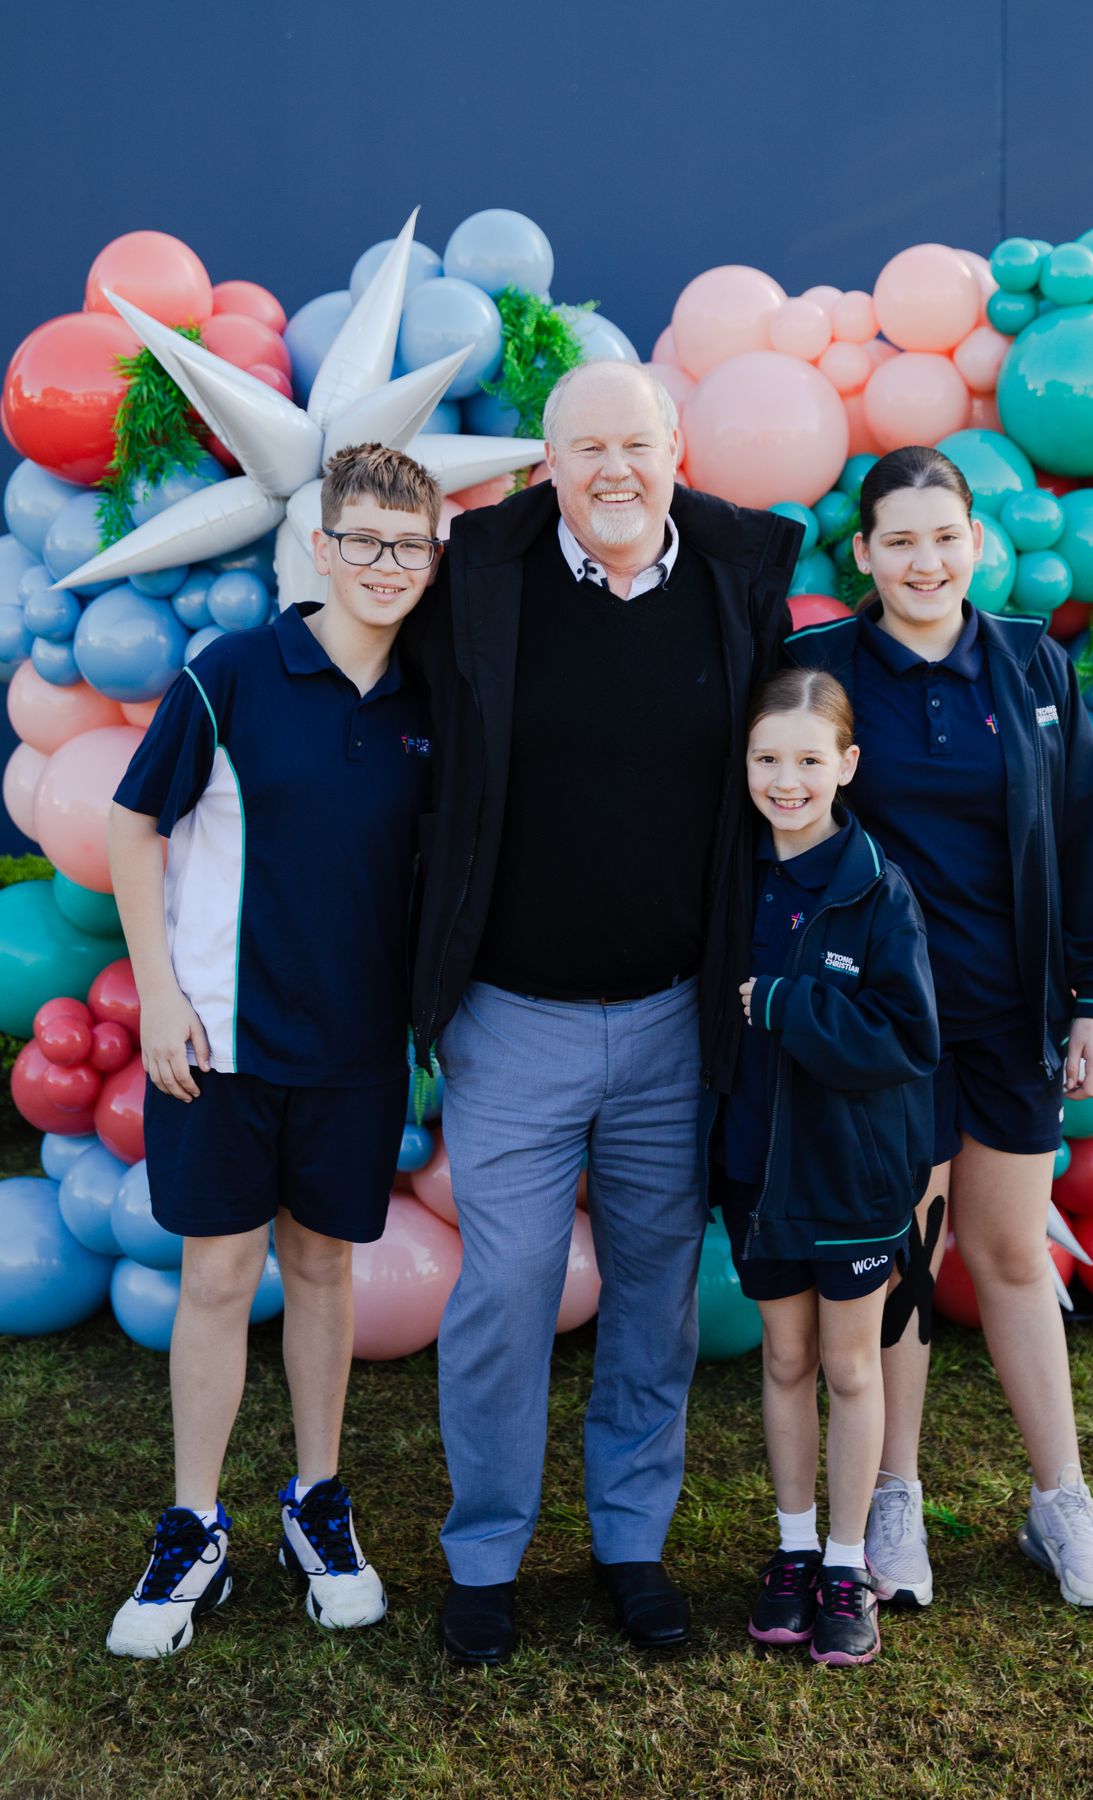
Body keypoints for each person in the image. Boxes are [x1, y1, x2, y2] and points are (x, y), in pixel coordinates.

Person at [404, 359, 803, 1664]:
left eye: (635, 443)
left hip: (676, 1019)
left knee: (654, 1296)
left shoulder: (740, 580)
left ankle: (632, 1541)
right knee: (507, 1290)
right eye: (586, 449)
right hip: (513, 1017)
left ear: (676, 445)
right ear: (548, 464)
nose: (614, 471)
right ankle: (485, 1554)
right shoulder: (482, 578)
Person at [105, 443, 442, 1657]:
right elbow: (132, 824)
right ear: (321, 546)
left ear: (433, 559)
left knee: (324, 1268)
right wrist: (158, 996)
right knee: (214, 1275)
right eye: (365, 540)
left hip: (356, 1051)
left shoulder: (434, 699)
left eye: (410, 546)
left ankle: (317, 1501)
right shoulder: (235, 672)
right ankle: (194, 1524)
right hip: (221, 1044)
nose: (386, 564)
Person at [786, 444, 1093, 1611]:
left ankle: (1061, 1503)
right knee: (905, 1263)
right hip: (888, 1032)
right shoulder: (825, 670)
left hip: (1009, 1018)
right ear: (864, 554)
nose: (925, 561)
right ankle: (894, 1496)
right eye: (900, 541)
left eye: (945, 537)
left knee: (1013, 1254)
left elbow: (1082, 839)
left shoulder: (1035, 665)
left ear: (976, 542)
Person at [710, 666, 937, 1664]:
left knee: (849, 1365)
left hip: (849, 1177)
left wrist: (789, 1006)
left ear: (846, 764)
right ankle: (795, 1547)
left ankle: (847, 1563)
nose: (786, 780)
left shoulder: (879, 889)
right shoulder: (732, 874)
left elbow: (907, 1039)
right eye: (767, 758)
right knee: (785, 1359)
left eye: (808, 760)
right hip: (757, 1170)